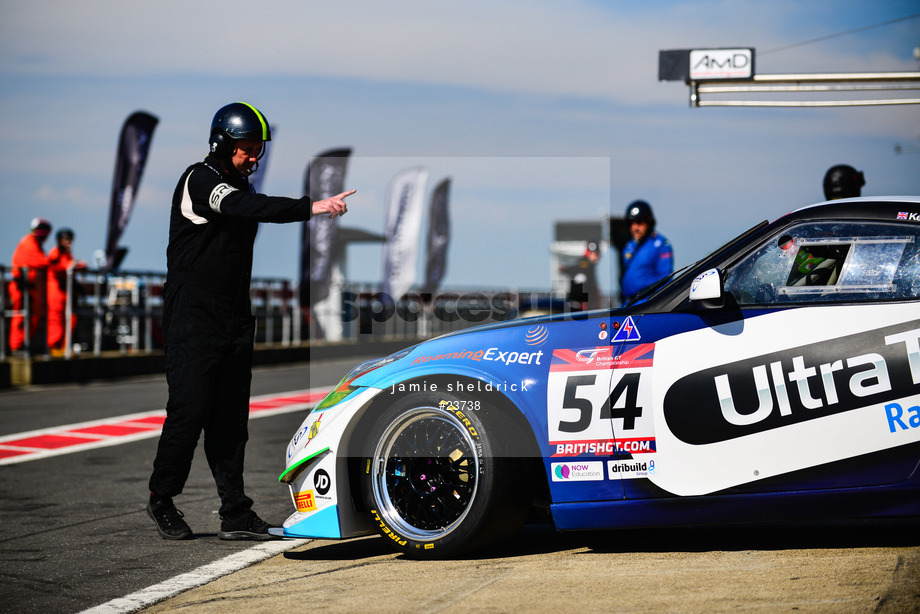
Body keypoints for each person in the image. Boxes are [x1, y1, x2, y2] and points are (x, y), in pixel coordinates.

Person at [147, 102, 354, 541]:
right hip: (193, 317)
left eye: (258, 149)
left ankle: (235, 513)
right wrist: (311, 207)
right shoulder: (199, 179)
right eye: (247, 149)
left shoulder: (236, 182)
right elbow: (243, 206)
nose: (254, 157)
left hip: (234, 318)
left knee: (231, 421)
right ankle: (162, 500)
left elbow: (248, 203)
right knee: (188, 414)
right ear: (223, 144)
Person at [8, 218, 52, 354]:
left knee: (31, 317)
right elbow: (42, 262)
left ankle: (21, 345)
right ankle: (16, 346)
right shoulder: (29, 242)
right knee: (21, 316)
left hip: (31, 289)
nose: (44, 235)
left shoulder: (36, 244)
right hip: (21, 287)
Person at [620, 200, 673, 304]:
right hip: (628, 304)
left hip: (647, 304)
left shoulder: (660, 244)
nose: (635, 227)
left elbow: (665, 280)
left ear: (648, 222)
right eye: (631, 223)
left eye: (639, 222)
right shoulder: (630, 246)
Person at [46, 228, 86, 354]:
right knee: (56, 320)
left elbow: (70, 267)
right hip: (56, 292)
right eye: (66, 240)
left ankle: (64, 346)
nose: (69, 242)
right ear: (60, 241)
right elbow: (62, 267)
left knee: (71, 319)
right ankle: (54, 347)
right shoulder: (55, 253)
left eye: (70, 240)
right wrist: (76, 265)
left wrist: (79, 267)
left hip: (66, 292)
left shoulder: (67, 253)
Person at [566, 239, 602, 311]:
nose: (598, 258)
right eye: (597, 254)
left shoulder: (588, 266)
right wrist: (583, 302)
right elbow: (579, 283)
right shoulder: (585, 266)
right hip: (581, 309)